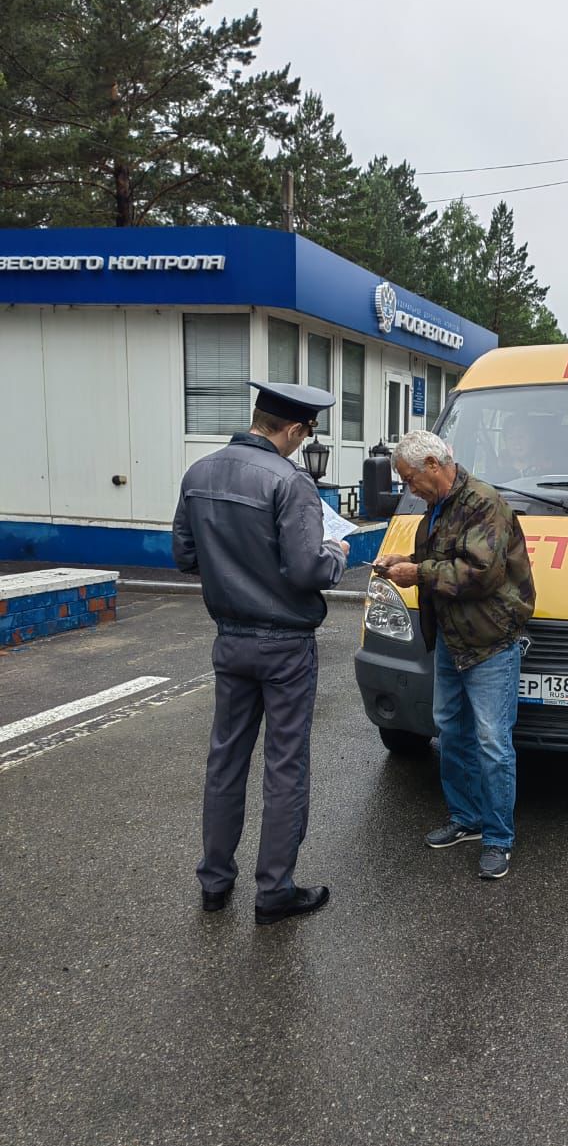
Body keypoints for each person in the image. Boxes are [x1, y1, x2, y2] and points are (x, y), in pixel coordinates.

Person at [172, 381, 350, 925]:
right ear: (293, 430)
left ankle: (214, 884)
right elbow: (307, 570)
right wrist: (336, 553)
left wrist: (233, 575)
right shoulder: (289, 483)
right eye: (307, 434)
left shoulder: (198, 473)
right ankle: (274, 891)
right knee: (285, 766)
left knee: (225, 760)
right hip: (286, 645)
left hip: (230, 638)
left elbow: (183, 555)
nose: (305, 443)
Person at [375, 431, 535, 880]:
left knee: (492, 742)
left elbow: (480, 573)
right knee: (451, 730)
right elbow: (445, 558)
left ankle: (498, 839)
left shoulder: (483, 502)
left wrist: (417, 572)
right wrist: (402, 559)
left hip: (489, 642)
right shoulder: (440, 505)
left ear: (432, 463)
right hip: (452, 637)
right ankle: (466, 820)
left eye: (409, 479)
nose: (409, 488)